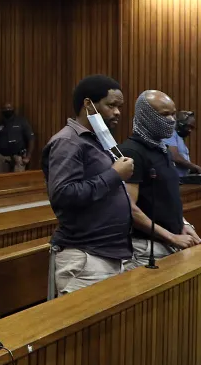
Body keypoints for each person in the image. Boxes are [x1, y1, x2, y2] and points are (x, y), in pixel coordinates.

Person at [42, 75, 134, 295]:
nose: (118, 112)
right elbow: (63, 194)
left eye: (119, 106)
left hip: (107, 253)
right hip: (85, 258)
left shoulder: (98, 141)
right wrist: (114, 175)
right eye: (111, 105)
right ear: (88, 105)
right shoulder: (68, 142)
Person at [121, 91, 201, 270]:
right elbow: (129, 208)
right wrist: (171, 237)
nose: (172, 120)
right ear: (146, 116)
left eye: (173, 113)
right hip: (145, 250)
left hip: (170, 242)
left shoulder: (161, 149)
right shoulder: (131, 152)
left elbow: (165, 197)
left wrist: (182, 224)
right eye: (164, 114)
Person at [0, 103, 35, 173]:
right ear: (2, 110)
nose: (7, 110)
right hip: (0, 157)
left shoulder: (22, 121)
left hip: (18, 156)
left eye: (9, 108)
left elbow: (31, 139)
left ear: (13, 109)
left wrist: (28, 157)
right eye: (5, 108)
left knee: (17, 182)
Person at [164, 110, 201, 176]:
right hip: (175, 180)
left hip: (182, 179)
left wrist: (191, 170)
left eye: (192, 128)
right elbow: (174, 156)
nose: (190, 130)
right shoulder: (170, 134)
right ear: (180, 124)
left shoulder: (179, 137)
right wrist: (196, 167)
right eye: (188, 126)